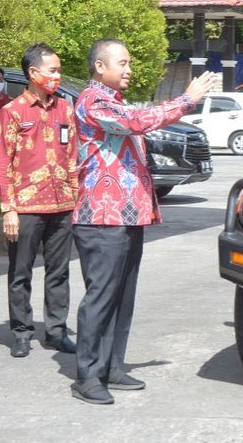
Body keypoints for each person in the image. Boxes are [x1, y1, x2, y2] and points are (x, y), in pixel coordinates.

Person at [70, 38, 214, 405]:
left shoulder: (113, 101)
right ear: (100, 66)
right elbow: (136, 122)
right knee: (101, 296)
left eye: (129, 62)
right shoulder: (92, 100)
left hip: (125, 214)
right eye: (122, 62)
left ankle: (111, 365)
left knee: (122, 295)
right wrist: (186, 99)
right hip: (101, 217)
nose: (129, 69)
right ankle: (87, 375)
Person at [0, 44, 78, 358]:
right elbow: (3, 163)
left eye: (58, 70)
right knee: (20, 272)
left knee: (59, 272)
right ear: (33, 73)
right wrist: (9, 209)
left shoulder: (65, 110)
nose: (57, 76)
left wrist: (77, 197)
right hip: (26, 207)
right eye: (52, 70)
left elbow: (72, 157)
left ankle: (56, 332)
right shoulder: (12, 111)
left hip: (62, 205)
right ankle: (21, 332)